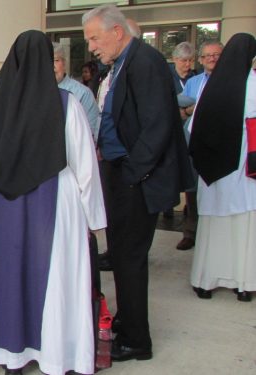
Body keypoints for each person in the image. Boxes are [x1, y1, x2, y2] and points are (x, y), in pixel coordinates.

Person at [0, 29, 106, 375]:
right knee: (54, 280)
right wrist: (94, 219)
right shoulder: (66, 105)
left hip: (3, 208)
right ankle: (57, 355)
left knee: (8, 277)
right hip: (56, 205)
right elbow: (85, 168)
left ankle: (11, 355)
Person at [83, 4, 193, 361]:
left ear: (117, 32)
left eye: (94, 38)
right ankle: (126, 321)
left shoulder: (144, 62)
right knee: (121, 256)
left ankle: (136, 340)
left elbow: (157, 127)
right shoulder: (121, 64)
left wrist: (133, 174)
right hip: (121, 174)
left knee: (129, 259)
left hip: (136, 178)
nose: (91, 48)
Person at [189, 33, 256, 302]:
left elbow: (194, 128)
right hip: (242, 173)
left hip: (211, 173)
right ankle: (243, 285)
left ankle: (205, 282)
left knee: (212, 230)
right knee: (243, 226)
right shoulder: (253, 84)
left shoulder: (210, 85)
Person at [175, 41, 225, 251]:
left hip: (222, 144)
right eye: (208, 55)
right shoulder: (193, 83)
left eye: (217, 55)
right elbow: (179, 112)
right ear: (201, 59)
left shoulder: (232, 81)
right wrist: (189, 111)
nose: (212, 58)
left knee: (220, 191)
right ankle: (191, 232)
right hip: (195, 142)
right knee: (193, 190)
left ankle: (218, 235)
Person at [53, 42, 101, 141]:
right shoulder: (32, 93)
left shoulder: (83, 93)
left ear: (64, 63)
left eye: (56, 60)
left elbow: (91, 132)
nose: (52, 66)